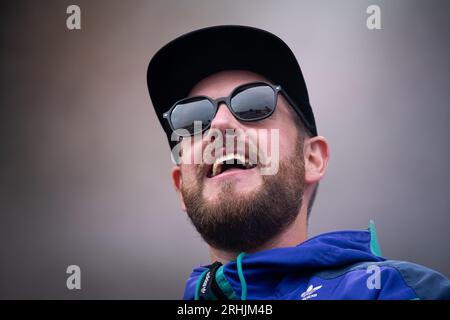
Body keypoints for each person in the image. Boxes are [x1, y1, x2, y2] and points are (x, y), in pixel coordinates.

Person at [147, 25, 450, 300]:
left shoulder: (399, 291)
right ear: (180, 186)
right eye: (192, 118)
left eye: (254, 105)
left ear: (312, 159)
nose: (220, 124)